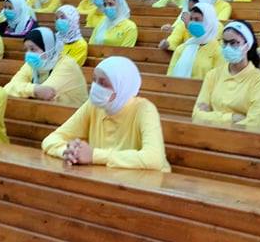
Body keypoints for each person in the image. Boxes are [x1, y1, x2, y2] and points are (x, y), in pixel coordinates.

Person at [41, 56, 170, 171]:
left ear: (121, 86)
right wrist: (69, 152)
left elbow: (154, 159)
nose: (95, 87)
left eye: (103, 83)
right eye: (94, 80)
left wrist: (94, 155)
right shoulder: (93, 105)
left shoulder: (144, 109)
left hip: (144, 183)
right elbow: (51, 140)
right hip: (104, 177)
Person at [193, 20, 260, 129]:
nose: (228, 47)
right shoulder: (213, 75)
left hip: (242, 138)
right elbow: (196, 116)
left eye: (234, 43)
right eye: (225, 42)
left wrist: (210, 117)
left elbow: (255, 124)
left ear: (247, 45)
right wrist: (232, 118)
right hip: (208, 133)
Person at [4, 27, 87, 107]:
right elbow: (8, 88)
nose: (28, 54)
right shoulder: (31, 64)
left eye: (33, 49)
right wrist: (34, 89)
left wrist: (29, 91)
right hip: (48, 111)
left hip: (74, 113)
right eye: (26, 49)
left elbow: (47, 93)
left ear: (48, 48)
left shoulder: (67, 65)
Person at [167, 3, 223, 78]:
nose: (192, 23)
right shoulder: (181, 48)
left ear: (208, 22)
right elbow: (170, 77)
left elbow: (218, 79)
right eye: (191, 19)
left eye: (197, 19)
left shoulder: (219, 51)